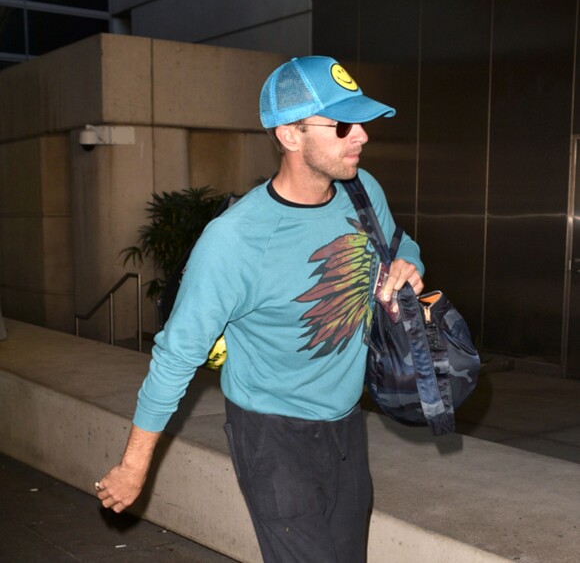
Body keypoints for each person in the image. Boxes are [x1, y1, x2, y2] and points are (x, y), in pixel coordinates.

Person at [96, 55, 425, 562]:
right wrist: (134, 465)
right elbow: (176, 354)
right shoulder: (235, 241)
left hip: (346, 422)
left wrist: (406, 265)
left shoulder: (362, 190)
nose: (361, 135)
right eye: (342, 125)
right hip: (273, 434)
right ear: (289, 136)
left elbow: (399, 243)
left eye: (360, 120)